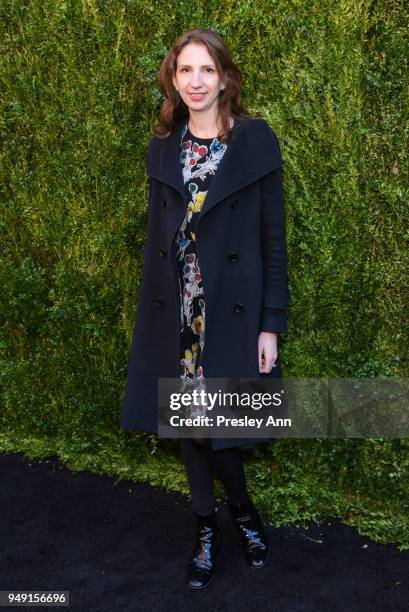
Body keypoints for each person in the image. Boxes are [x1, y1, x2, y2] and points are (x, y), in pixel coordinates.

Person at [120, 28, 291, 590]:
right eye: (185, 70)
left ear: (225, 78)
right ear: (172, 78)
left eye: (207, 70)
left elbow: (273, 243)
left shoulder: (256, 142)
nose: (196, 81)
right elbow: (157, 241)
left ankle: (239, 511)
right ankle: (207, 527)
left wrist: (271, 325)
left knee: (213, 422)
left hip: (230, 313)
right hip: (177, 311)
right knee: (190, 423)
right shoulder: (163, 147)